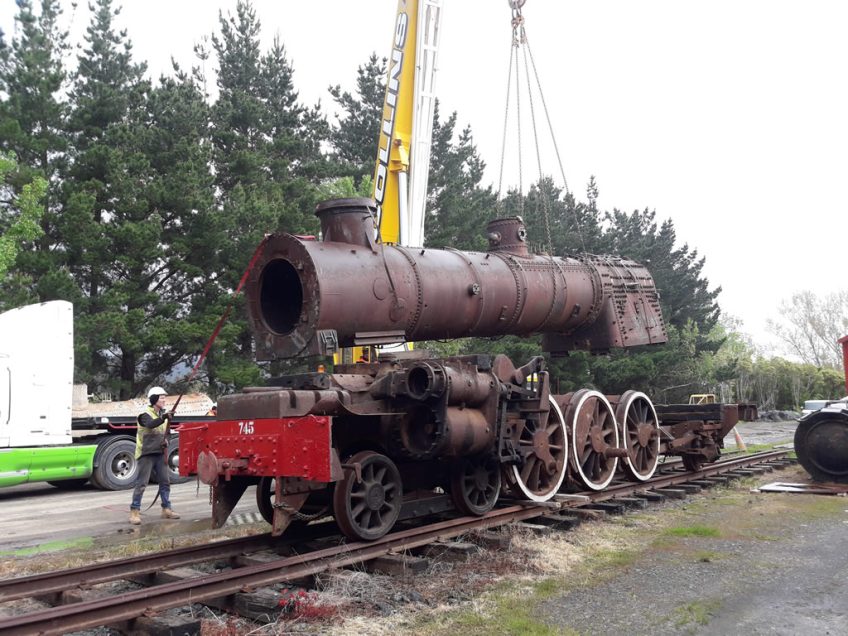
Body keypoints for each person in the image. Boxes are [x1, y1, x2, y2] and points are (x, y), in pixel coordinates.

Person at [129, 386, 180, 525]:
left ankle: (166, 509)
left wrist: (167, 441)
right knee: (142, 484)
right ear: (154, 399)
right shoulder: (144, 414)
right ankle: (134, 512)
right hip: (145, 454)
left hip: (159, 453)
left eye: (164, 397)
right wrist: (164, 417)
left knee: (165, 482)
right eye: (161, 397)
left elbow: (167, 433)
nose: (164, 400)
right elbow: (150, 425)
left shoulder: (162, 415)